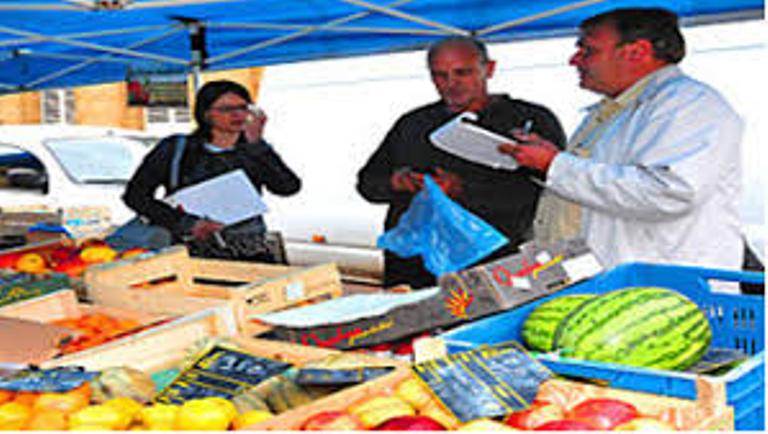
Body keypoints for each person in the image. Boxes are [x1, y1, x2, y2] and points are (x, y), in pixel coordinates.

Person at [498, 8, 744, 272]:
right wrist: (547, 162)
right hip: (605, 282)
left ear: (637, 52)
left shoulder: (690, 104)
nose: (573, 60)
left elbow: (672, 192)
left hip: (662, 285)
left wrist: (554, 165)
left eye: (588, 50)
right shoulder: (613, 111)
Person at [357, 36, 567, 289]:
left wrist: (462, 191)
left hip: (495, 266)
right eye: (440, 75)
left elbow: (550, 191)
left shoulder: (530, 119)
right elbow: (367, 184)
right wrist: (397, 182)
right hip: (415, 268)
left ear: (489, 69)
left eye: (462, 73)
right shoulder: (412, 124)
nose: (451, 84)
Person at [122, 79, 301, 260]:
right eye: (226, 109)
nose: (237, 114)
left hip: (251, 252)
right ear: (206, 114)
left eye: (243, 107)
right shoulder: (176, 148)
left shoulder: (253, 150)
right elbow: (136, 196)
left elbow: (287, 187)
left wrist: (257, 144)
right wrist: (187, 223)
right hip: (192, 253)